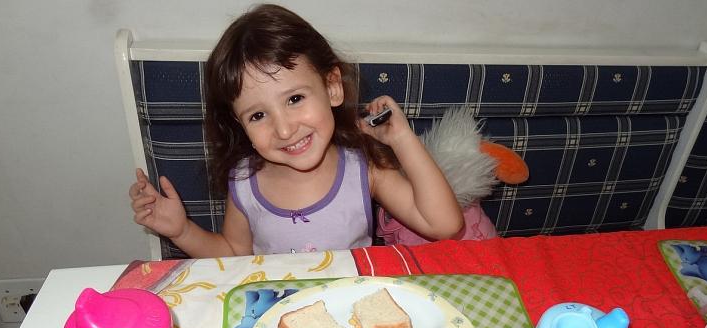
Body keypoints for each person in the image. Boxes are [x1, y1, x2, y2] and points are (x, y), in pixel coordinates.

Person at [128, 4, 463, 257]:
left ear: (332, 87)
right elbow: (234, 256)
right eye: (258, 115)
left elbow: (445, 225)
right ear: (239, 124)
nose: (285, 129)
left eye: (295, 98)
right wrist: (182, 230)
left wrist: (402, 140)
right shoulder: (245, 183)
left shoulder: (363, 167)